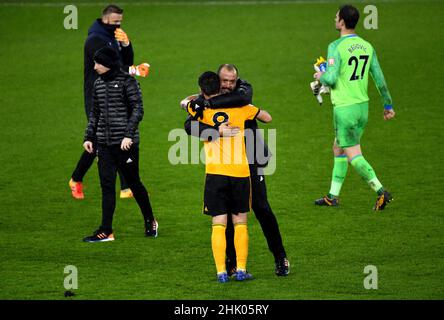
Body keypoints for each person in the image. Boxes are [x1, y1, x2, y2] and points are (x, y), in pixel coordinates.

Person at [182, 64, 290, 277]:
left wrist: (199, 102)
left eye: (233, 81)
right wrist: (214, 130)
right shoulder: (208, 99)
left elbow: (240, 99)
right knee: (228, 214)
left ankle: (280, 257)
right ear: (218, 79)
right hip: (227, 165)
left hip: (251, 160)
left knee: (261, 208)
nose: (229, 85)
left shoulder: (242, 92)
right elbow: (189, 126)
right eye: (225, 81)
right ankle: (232, 264)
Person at [313, 5, 395, 210]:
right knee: (338, 147)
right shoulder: (367, 45)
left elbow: (331, 79)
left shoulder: (335, 46)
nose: (334, 19)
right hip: (362, 108)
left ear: (341, 22)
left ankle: (381, 191)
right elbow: (380, 80)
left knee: (354, 155)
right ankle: (333, 195)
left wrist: (320, 76)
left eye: (336, 17)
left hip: (345, 110)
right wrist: (387, 104)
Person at [82, 46, 157, 242]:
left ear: (107, 64)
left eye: (98, 62)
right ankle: (106, 230)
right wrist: (89, 137)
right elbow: (95, 114)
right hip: (104, 145)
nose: (95, 66)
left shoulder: (127, 82)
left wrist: (128, 135)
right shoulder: (98, 84)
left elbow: (137, 110)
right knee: (107, 186)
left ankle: (150, 220)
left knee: (133, 183)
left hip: (125, 144)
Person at [70, 4, 140, 200]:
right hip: (98, 96)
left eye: (120, 22)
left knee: (115, 138)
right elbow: (112, 66)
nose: (118, 25)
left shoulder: (112, 36)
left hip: (114, 92)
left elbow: (126, 61)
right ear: (106, 19)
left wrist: (127, 45)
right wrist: (134, 71)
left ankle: (126, 187)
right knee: (102, 142)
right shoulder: (95, 40)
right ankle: (77, 178)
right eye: (116, 22)